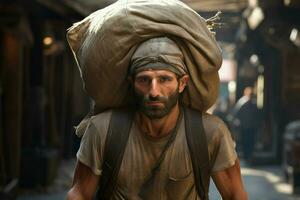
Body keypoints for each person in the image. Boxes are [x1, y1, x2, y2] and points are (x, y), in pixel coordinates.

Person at [66, 1, 247, 199]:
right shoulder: (103, 130)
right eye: (144, 80)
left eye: (164, 79)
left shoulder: (209, 133)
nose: (154, 91)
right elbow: (80, 193)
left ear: (182, 83)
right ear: (131, 82)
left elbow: (235, 195)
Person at [231, 87, 262, 161]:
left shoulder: (254, 103)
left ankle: (249, 156)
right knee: (245, 141)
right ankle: (246, 156)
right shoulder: (242, 102)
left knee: (251, 141)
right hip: (244, 126)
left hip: (251, 126)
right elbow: (236, 114)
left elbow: (257, 114)